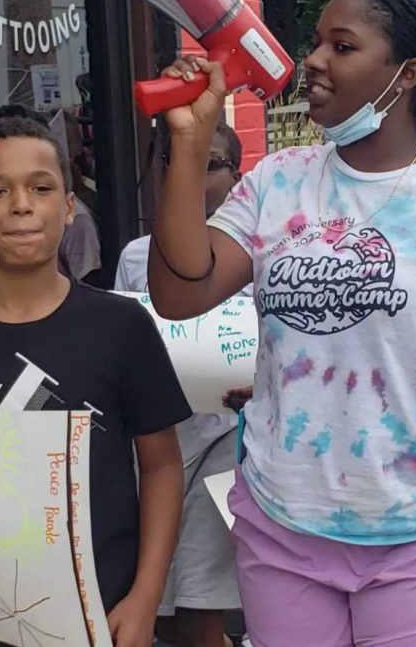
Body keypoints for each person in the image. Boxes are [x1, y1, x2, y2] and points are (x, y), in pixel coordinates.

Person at [148, 0, 416, 647]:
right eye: (315, 43)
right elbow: (180, 291)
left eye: (341, 45)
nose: (313, 60)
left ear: (407, 75)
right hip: (283, 523)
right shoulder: (278, 181)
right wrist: (190, 145)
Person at [0, 116, 191, 646]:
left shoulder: (120, 326)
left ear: (70, 206)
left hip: (110, 607)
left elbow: (163, 466)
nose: (22, 204)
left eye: (41, 187)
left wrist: (147, 598)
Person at [115, 120, 246, 647]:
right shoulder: (135, 257)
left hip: (228, 444)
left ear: (238, 175)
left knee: (201, 607)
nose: (192, 175)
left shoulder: (259, 254)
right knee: (157, 608)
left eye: (211, 164)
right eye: (174, 162)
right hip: (157, 445)